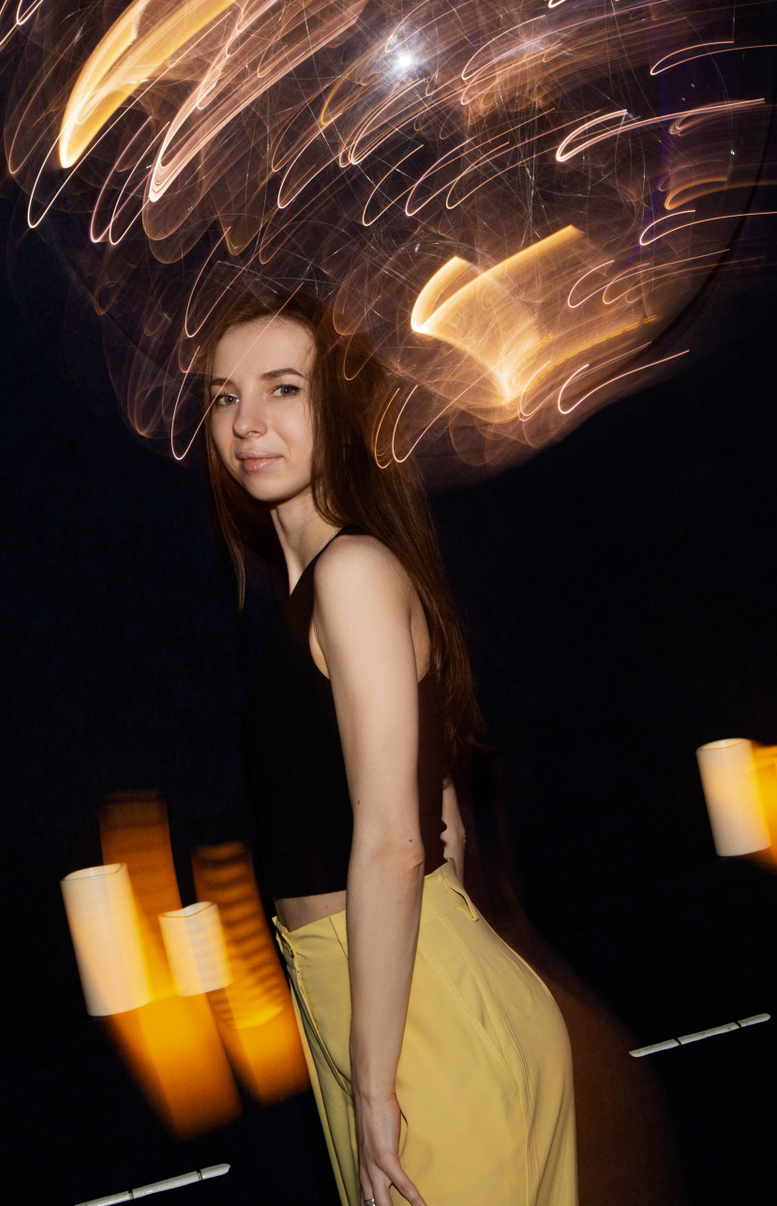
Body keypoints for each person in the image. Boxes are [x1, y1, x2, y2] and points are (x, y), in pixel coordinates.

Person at [199, 290, 577, 1206]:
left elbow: (396, 843)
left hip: (411, 1023)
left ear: (341, 407)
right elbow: (441, 810)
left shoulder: (353, 573)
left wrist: (378, 1086)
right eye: (223, 397)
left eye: (283, 388)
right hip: (382, 1007)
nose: (246, 422)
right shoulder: (317, 590)